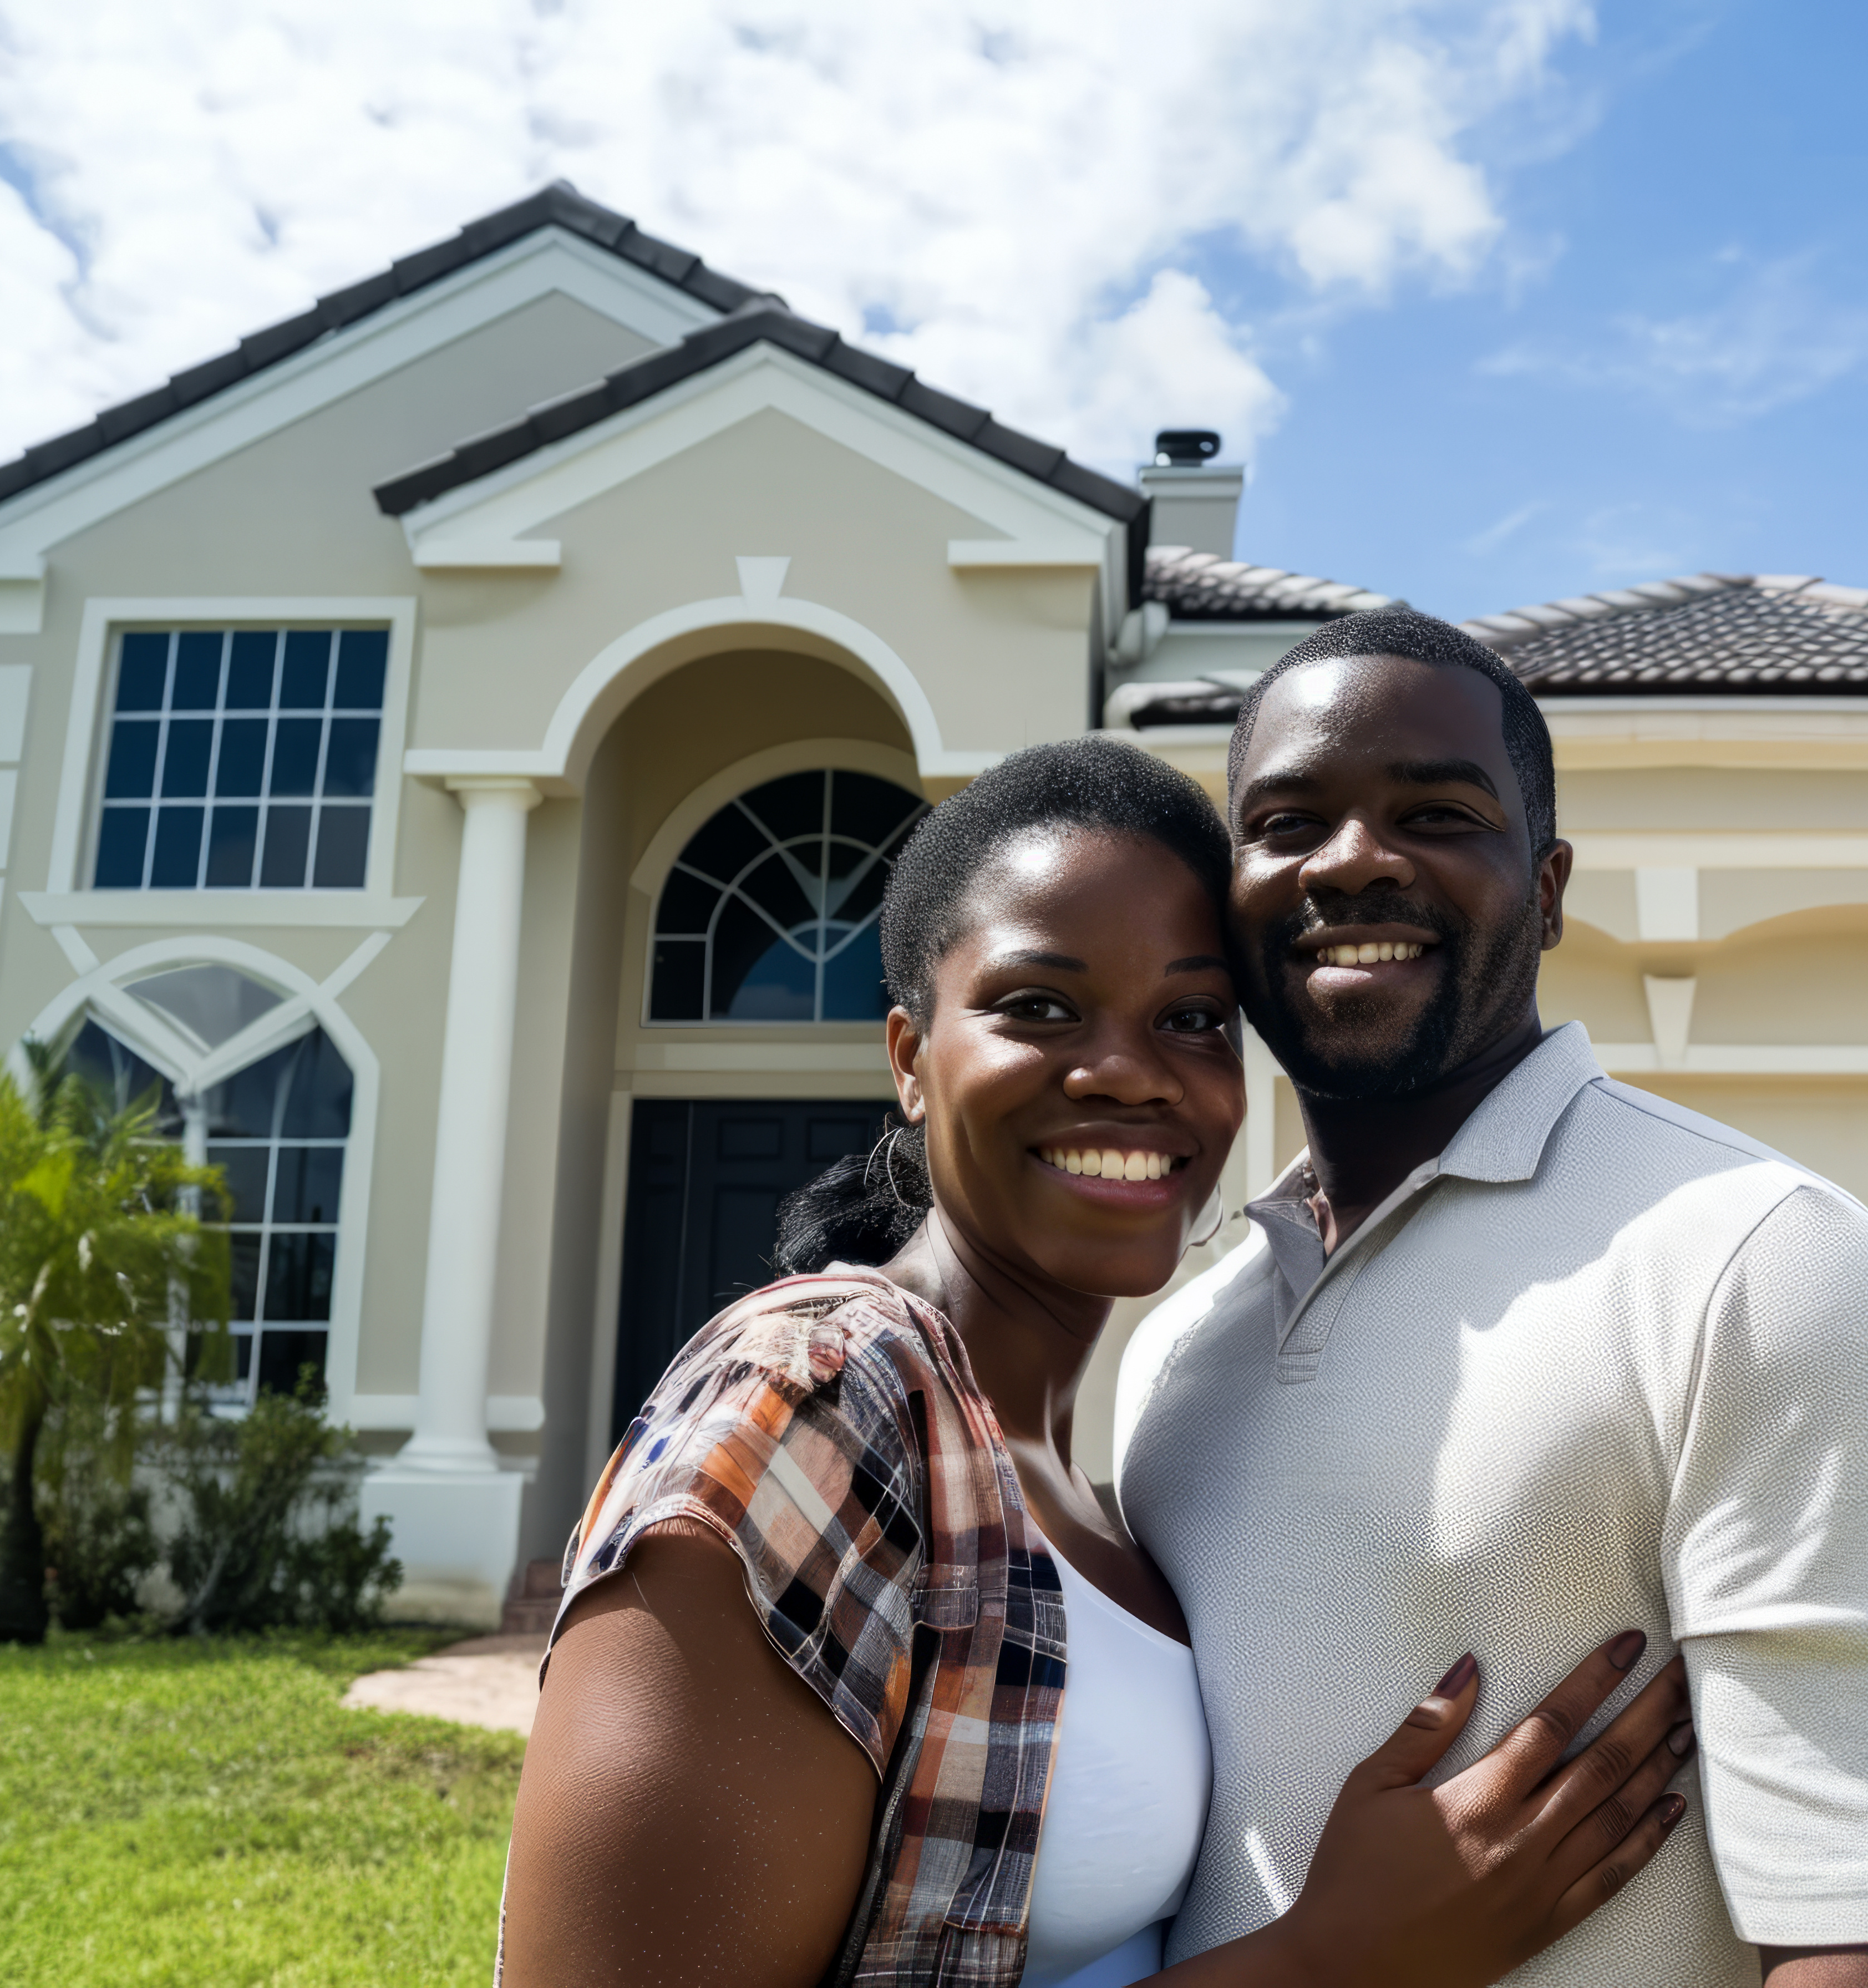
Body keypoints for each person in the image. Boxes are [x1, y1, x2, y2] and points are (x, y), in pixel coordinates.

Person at [500, 738, 1702, 1988]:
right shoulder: (815, 1405)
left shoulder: (1103, 1479)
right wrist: (1340, 1959)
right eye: (1041, 1005)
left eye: (1192, 1018)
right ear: (910, 1058)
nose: (1129, 1073)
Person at [1113, 612, 1868, 1987]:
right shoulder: (1172, 1348)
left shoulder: (1754, 1259)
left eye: (1436, 812)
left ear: (1550, 890)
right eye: (1288, 820)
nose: (1357, 859)